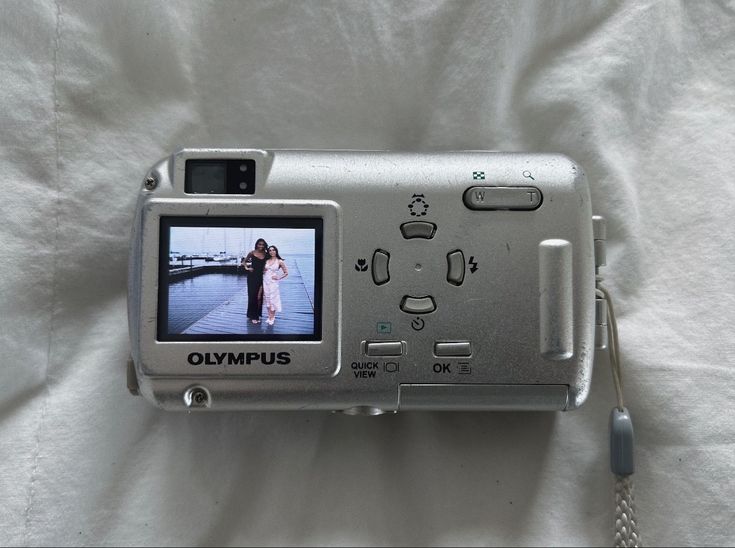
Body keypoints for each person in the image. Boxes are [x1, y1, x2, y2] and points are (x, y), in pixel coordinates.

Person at [242, 238, 268, 324]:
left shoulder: (266, 254)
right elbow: (244, 262)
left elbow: (273, 261)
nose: (261, 246)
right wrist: (247, 268)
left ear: (264, 246)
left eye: (262, 245)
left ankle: (256, 314)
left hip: (261, 277)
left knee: (259, 297)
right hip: (252, 277)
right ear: (256, 244)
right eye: (259, 244)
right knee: (252, 296)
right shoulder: (252, 252)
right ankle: (253, 316)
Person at [262, 245, 288, 326]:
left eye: (273, 250)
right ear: (268, 252)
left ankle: (272, 317)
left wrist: (278, 277)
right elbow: (262, 271)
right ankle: (269, 316)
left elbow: (286, 273)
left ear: (276, 251)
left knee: (273, 300)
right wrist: (263, 270)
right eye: (270, 250)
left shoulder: (280, 261)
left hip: (273, 283)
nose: (272, 251)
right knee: (267, 299)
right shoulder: (266, 260)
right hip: (265, 282)